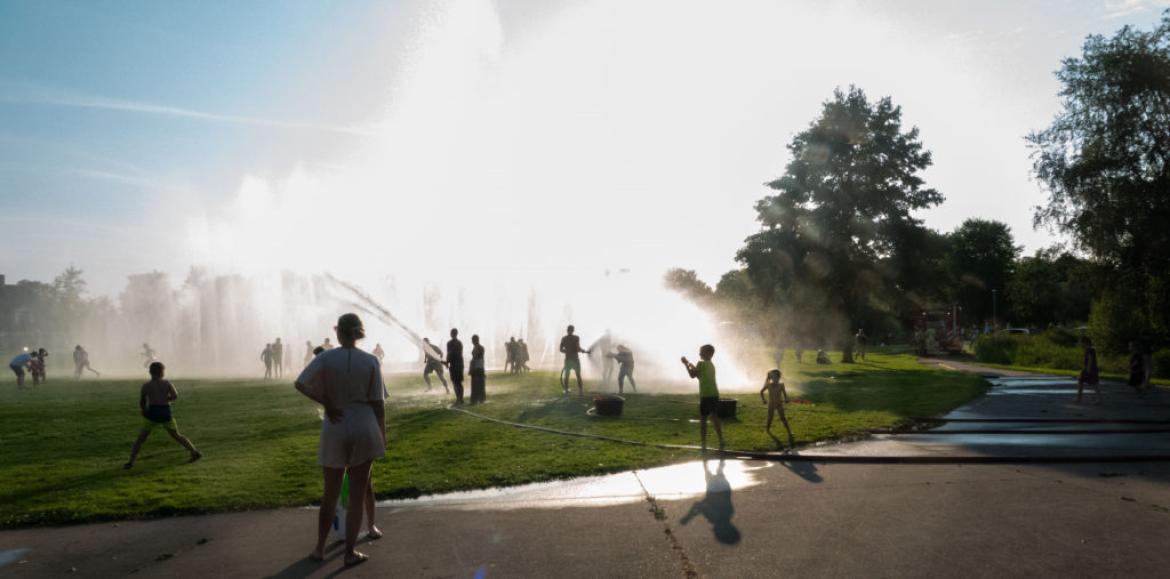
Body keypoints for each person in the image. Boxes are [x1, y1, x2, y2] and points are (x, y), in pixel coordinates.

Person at [294, 313, 386, 568]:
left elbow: (300, 383)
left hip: (335, 424)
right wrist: (382, 434)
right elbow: (378, 403)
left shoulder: (326, 357)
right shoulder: (370, 360)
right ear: (358, 333)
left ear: (339, 332)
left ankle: (319, 549)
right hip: (364, 422)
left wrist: (326, 402)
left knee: (330, 494)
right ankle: (349, 552)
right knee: (357, 495)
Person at [124, 361, 202, 469]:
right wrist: (166, 399)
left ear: (150, 372)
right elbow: (175, 396)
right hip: (165, 412)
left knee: (140, 439)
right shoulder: (167, 383)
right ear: (162, 372)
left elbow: (142, 401)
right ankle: (194, 451)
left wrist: (143, 410)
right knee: (177, 435)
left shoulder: (146, 386)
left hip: (152, 413)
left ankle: (130, 462)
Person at [681, 344, 725, 452]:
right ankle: (721, 440)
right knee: (714, 417)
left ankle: (703, 444)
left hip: (705, 395)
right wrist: (689, 364)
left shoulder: (700, 364)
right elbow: (700, 376)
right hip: (714, 394)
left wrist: (686, 364)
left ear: (707, 353)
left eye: (701, 351)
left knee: (703, 419)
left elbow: (693, 375)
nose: (699, 353)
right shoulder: (711, 365)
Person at [760, 369, 794, 445]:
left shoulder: (781, 385)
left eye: (776, 377)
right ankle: (767, 430)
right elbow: (761, 392)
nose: (775, 379)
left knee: (783, 418)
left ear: (779, 378)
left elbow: (785, 395)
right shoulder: (768, 385)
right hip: (771, 405)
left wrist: (786, 399)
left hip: (779, 404)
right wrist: (764, 400)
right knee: (770, 418)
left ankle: (789, 431)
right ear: (771, 378)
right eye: (773, 377)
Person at [560, 325, 590, 396]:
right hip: (575, 359)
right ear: (573, 330)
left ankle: (566, 390)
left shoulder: (564, 338)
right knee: (578, 375)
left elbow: (560, 349)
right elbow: (578, 348)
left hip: (568, 359)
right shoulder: (576, 338)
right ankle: (580, 391)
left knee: (567, 375)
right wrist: (584, 351)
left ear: (567, 330)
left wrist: (567, 351)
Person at [1075, 337, 1102, 404]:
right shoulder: (1090, 349)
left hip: (1090, 369)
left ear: (1086, 342)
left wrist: (1088, 370)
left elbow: (1090, 360)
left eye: (1082, 342)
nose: (1081, 344)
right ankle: (1079, 399)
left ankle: (1098, 399)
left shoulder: (1089, 350)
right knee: (1082, 382)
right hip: (1090, 369)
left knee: (1094, 384)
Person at [446, 329, 465, 404]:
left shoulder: (449, 343)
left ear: (451, 334)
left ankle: (458, 399)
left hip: (454, 364)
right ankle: (461, 399)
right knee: (459, 382)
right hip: (460, 364)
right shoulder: (460, 343)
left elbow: (449, 353)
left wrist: (447, 362)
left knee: (455, 382)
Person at [469, 334, 486, 404]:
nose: (471, 341)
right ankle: (481, 398)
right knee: (481, 383)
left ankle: (475, 399)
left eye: (472, 340)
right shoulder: (481, 347)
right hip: (481, 366)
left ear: (474, 340)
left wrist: (471, 368)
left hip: (476, 367)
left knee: (475, 384)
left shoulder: (476, 348)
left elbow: (475, 358)